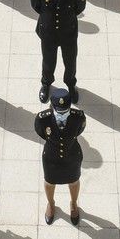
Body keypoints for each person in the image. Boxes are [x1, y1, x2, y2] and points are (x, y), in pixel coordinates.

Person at [32, 0, 87, 103]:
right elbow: (36, 6)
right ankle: (46, 84)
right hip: (48, 33)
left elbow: (79, 8)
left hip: (68, 33)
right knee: (48, 61)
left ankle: (70, 84)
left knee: (70, 62)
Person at [36, 88, 86, 225]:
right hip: (51, 158)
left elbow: (79, 130)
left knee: (74, 181)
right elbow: (41, 132)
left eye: (65, 110)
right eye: (60, 111)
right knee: (49, 182)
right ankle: (51, 204)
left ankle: (74, 203)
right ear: (52, 107)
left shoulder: (78, 116)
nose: (63, 114)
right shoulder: (43, 119)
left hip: (72, 156)